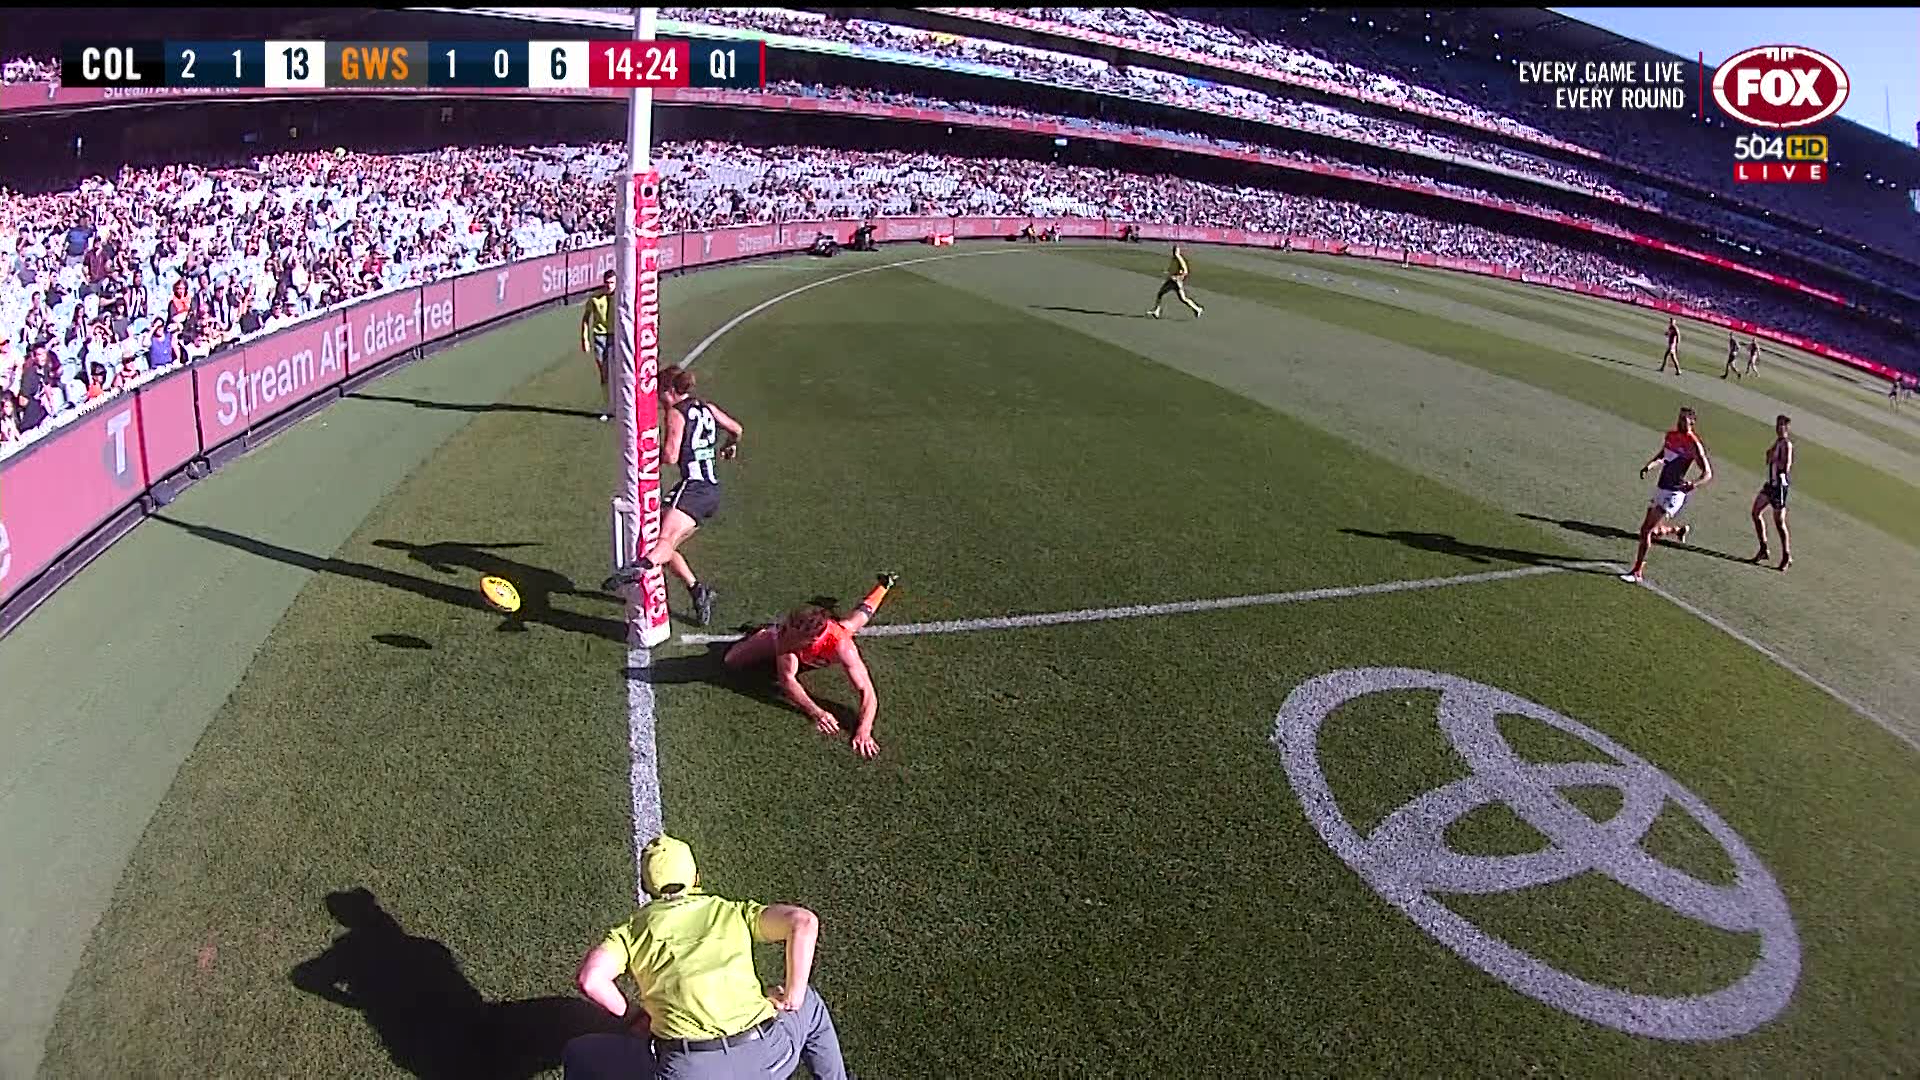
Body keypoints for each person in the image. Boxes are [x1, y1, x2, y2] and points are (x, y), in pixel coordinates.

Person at [575, 835, 851, 1080]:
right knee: (810, 1005)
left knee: (578, 1054)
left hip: (690, 1070)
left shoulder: (631, 932)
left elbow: (591, 979)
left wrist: (635, 1017)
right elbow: (802, 922)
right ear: (696, 878)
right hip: (768, 1058)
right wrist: (793, 997)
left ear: (645, 886)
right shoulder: (731, 911)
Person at [603, 366, 741, 627]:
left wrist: (640, 458)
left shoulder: (676, 413)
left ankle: (639, 568)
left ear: (668, 391)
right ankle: (697, 590)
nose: (656, 397)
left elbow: (670, 456)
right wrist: (729, 445)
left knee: (663, 539)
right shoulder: (707, 407)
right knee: (666, 543)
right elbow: (736, 428)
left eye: (658, 391)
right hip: (710, 490)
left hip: (693, 487)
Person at [725, 574, 895, 759]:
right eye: (786, 630)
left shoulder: (842, 646)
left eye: (791, 635)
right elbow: (787, 680)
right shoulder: (785, 638)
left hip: (826, 640)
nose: (786, 638)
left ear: (813, 640)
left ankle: (884, 585)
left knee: (855, 622)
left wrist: (864, 730)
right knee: (732, 659)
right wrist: (817, 712)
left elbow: (867, 691)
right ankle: (764, 630)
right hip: (782, 642)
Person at [1621, 406, 1714, 584]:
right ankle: (1678, 530)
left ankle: (1637, 571)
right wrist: (1650, 465)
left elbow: (1707, 473)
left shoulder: (1693, 443)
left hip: (1674, 492)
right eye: (1678, 419)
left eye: (1684, 420)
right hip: (1661, 487)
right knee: (1653, 531)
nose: (1679, 423)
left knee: (1645, 530)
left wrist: (1693, 484)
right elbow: (1664, 455)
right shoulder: (1671, 436)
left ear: (1692, 422)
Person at [1750, 413, 1793, 572]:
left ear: (1787, 428)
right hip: (1770, 484)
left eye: (1781, 425)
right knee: (1755, 512)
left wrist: (1774, 458)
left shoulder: (1786, 445)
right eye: (1777, 425)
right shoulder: (1777, 442)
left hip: (1779, 487)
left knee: (1779, 523)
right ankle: (1763, 549)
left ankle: (1786, 556)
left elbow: (1786, 466)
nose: (1778, 428)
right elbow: (1768, 459)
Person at [580, 270, 614, 422]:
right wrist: (584, 339)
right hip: (600, 335)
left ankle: (620, 405)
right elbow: (586, 319)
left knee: (618, 371)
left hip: (616, 335)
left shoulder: (620, 296)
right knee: (604, 371)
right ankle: (608, 406)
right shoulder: (595, 298)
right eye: (607, 283)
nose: (609, 286)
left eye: (612, 283)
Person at [1149, 244, 1203, 320]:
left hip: (1176, 282)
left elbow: (1185, 271)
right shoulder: (1174, 258)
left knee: (1180, 298)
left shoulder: (1179, 258)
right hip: (1172, 280)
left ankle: (1197, 309)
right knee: (1164, 294)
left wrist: (1179, 277)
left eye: (1175, 250)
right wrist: (1168, 272)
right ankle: (1197, 309)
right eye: (1174, 250)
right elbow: (1173, 269)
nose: (1174, 252)